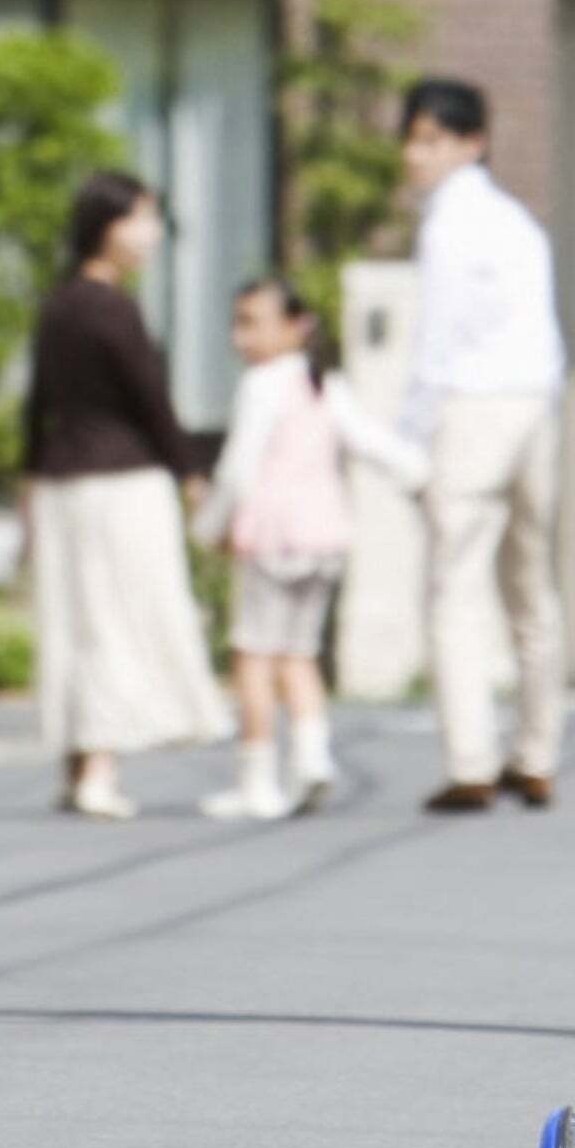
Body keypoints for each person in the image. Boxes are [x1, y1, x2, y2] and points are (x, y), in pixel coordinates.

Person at [23, 172, 232, 819]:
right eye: (139, 219)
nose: (151, 234)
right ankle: (99, 772)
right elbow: (152, 401)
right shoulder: (114, 308)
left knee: (74, 620)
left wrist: (26, 487)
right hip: (123, 485)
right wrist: (192, 474)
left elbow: (35, 407)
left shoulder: (58, 305)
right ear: (105, 226)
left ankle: (77, 765)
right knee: (119, 619)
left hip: (60, 485)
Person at [191, 277, 429, 819]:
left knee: (254, 656)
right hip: (324, 539)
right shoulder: (325, 384)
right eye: (238, 323)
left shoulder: (261, 385)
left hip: (272, 539)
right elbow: (371, 442)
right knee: (299, 654)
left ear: (295, 327)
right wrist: (420, 472)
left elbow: (237, 470)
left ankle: (256, 781)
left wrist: (209, 527)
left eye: (252, 322)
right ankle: (311, 757)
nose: (240, 336)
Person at [396, 76, 567, 813]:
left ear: (474, 142)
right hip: (537, 405)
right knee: (532, 588)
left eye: (431, 139)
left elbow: (436, 342)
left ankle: (471, 761)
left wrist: (412, 435)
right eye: (412, 140)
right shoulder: (519, 222)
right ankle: (537, 755)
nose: (416, 155)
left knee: (456, 586)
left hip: (471, 407)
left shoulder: (446, 224)